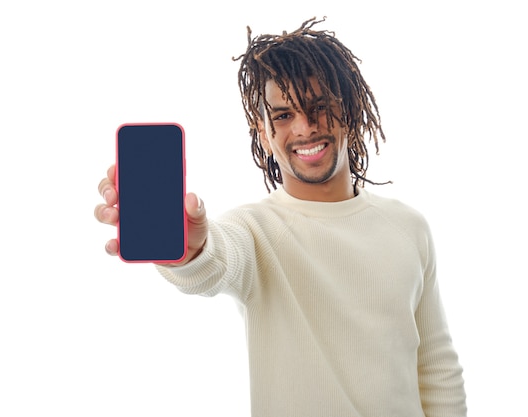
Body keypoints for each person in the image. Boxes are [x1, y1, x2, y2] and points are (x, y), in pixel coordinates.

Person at [95, 17, 467, 417]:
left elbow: (436, 369)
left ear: (351, 110)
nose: (305, 128)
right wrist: (189, 251)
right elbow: (218, 260)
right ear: (263, 130)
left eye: (319, 108)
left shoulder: (409, 227)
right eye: (284, 115)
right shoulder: (254, 231)